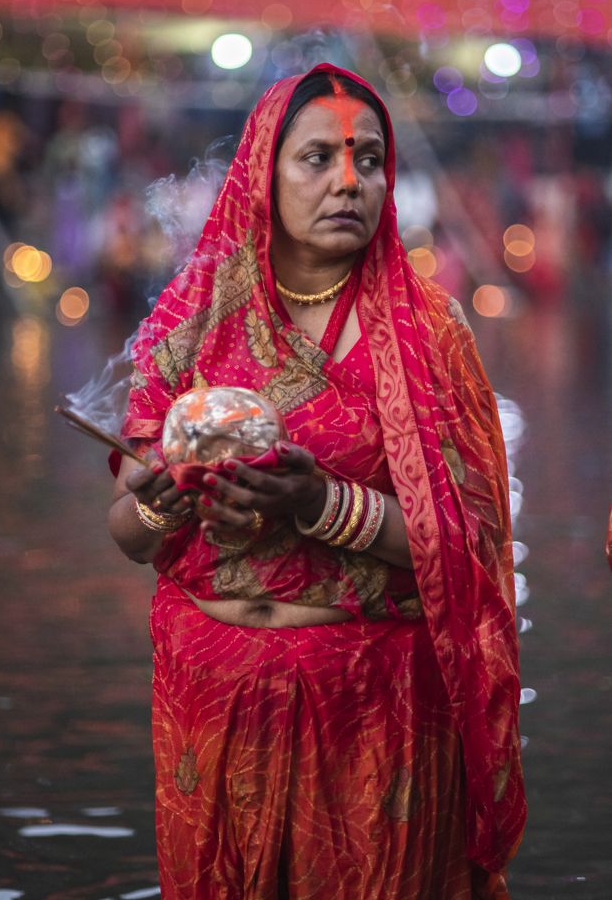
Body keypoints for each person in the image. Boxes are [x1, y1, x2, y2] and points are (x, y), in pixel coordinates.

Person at [108, 64, 526, 899]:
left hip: (376, 705)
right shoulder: (192, 317)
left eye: (368, 160)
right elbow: (127, 530)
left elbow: (470, 546)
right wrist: (167, 491)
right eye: (317, 159)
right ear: (263, 173)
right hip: (212, 699)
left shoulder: (425, 333)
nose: (348, 181)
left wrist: (317, 501)